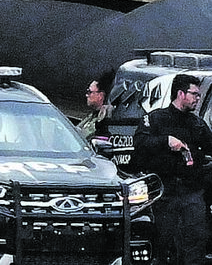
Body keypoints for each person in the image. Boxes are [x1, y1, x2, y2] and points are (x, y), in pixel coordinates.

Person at [133, 73, 212, 265]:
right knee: (164, 243)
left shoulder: (197, 124)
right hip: (164, 193)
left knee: (196, 241)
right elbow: (140, 143)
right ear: (181, 94)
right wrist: (166, 141)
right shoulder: (156, 119)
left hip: (191, 192)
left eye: (199, 95)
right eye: (194, 94)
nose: (198, 99)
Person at [77, 70, 114, 140]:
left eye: (89, 92)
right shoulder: (92, 116)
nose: (86, 95)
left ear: (100, 96)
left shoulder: (102, 121)